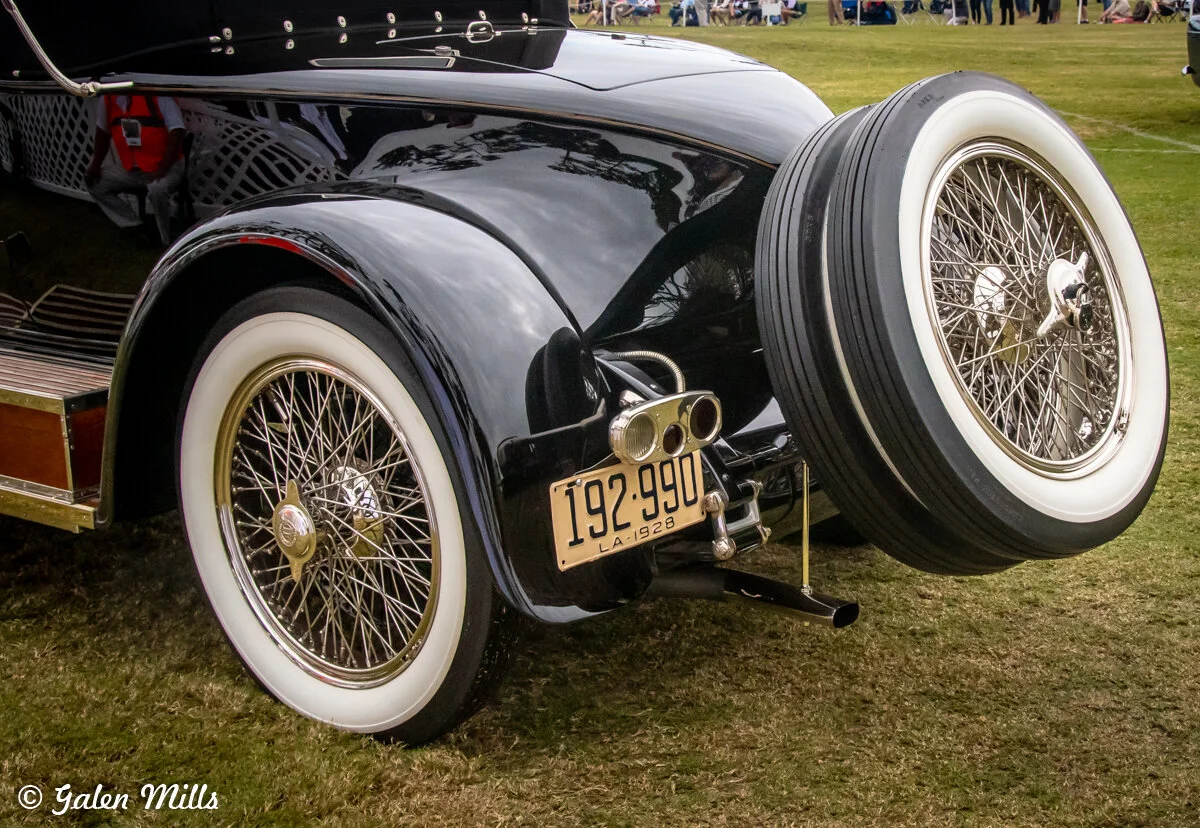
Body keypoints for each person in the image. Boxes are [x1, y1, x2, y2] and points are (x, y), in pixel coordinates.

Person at [85, 95, 185, 246]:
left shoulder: (158, 95)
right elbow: (102, 133)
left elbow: (177, 132)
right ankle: (134, 227)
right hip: (132, 169)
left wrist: (162, 169)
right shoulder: (107, 100)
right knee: (95, 183)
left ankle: (167, 240)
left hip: (167, 166)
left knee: (157, 189)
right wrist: (95, 165)